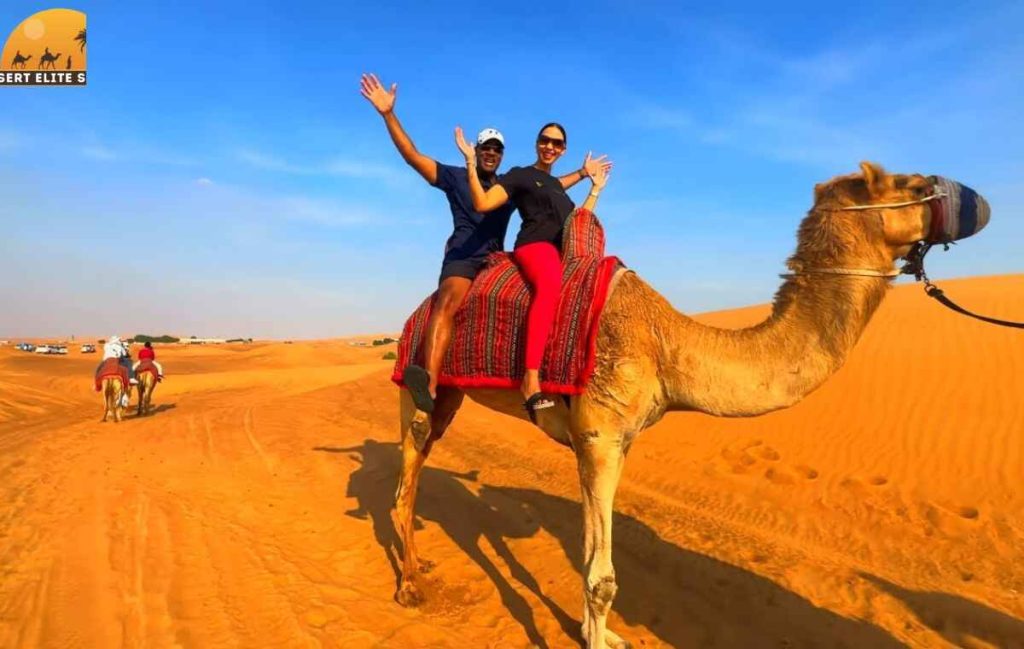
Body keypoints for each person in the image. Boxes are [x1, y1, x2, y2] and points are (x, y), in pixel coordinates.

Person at [361, 73, 606, 414]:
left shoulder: (507, 183)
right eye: (485, 148)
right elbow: (412, 156)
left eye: (496, 149)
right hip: (464, 258)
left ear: (501, 155)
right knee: (447, 302)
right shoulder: (456, 176)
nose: (491, 153)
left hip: (495, 259)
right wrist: (388, 114)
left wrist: (583, 175)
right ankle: (428, 387)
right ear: (476, 150)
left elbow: (548, 189)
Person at [456, 122, 609, 420]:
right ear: (537, 142)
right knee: (550, 286)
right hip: (535, 246)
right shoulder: (520, 175)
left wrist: (594, 187)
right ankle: (530, 380)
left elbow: (579, 218)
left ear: (563, 149)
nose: (550, 146)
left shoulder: (557, 189)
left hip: (563, 251)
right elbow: (483, 202)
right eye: (545, 140)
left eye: (557, 143)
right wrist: (470, 163)